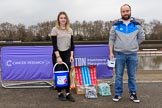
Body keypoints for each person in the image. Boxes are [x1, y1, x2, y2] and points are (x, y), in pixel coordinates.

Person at [109, 4, 145, 103]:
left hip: (133, 55)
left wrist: (133, 44)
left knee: (132, 76)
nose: (125, 13)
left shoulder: (137, 24)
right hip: (119, 54)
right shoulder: (115, 25)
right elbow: (111, 39)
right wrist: (111, 52)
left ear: (130, 11)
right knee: (118, 76)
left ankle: (133, 93)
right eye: (123, 11)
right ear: (121, 13)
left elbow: (142, 37)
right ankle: (118, 93)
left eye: (127, 11)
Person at [50, 11, 75, 102]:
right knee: (59, 74)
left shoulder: (70, 30)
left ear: (66, 19)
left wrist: (71, 56)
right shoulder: (54, 30)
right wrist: (58, 57)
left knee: (67, 73)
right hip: (57, 54)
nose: (63, 19)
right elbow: (54, 45)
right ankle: (60, 93)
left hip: (67, 54)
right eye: (61, 18)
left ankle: (68, 93)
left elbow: (72, 45)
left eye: (64, 18)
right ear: (58, 19)